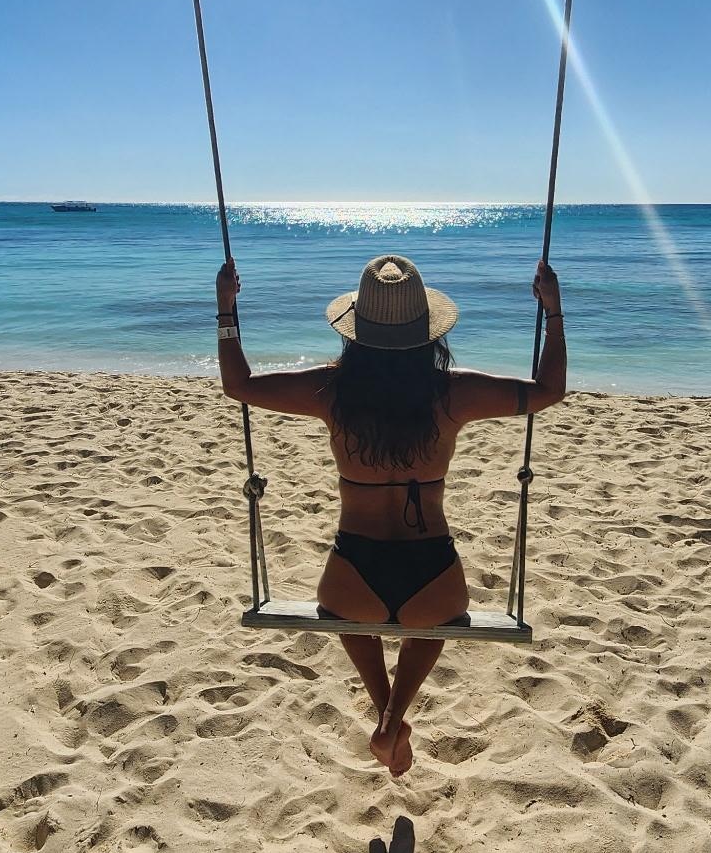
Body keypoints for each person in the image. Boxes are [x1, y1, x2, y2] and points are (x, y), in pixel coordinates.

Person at [215, 252, 566, 777]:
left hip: (352, 579)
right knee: (433, 624)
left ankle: (386, 715)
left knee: (346, 617)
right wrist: (554, 311)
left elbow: (239, 385)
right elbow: (549, 391)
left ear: (357, 329)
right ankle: (393, 715)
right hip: (433, 580)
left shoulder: (331, 390)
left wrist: (225, 308)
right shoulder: (454, 393)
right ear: (427, 330)